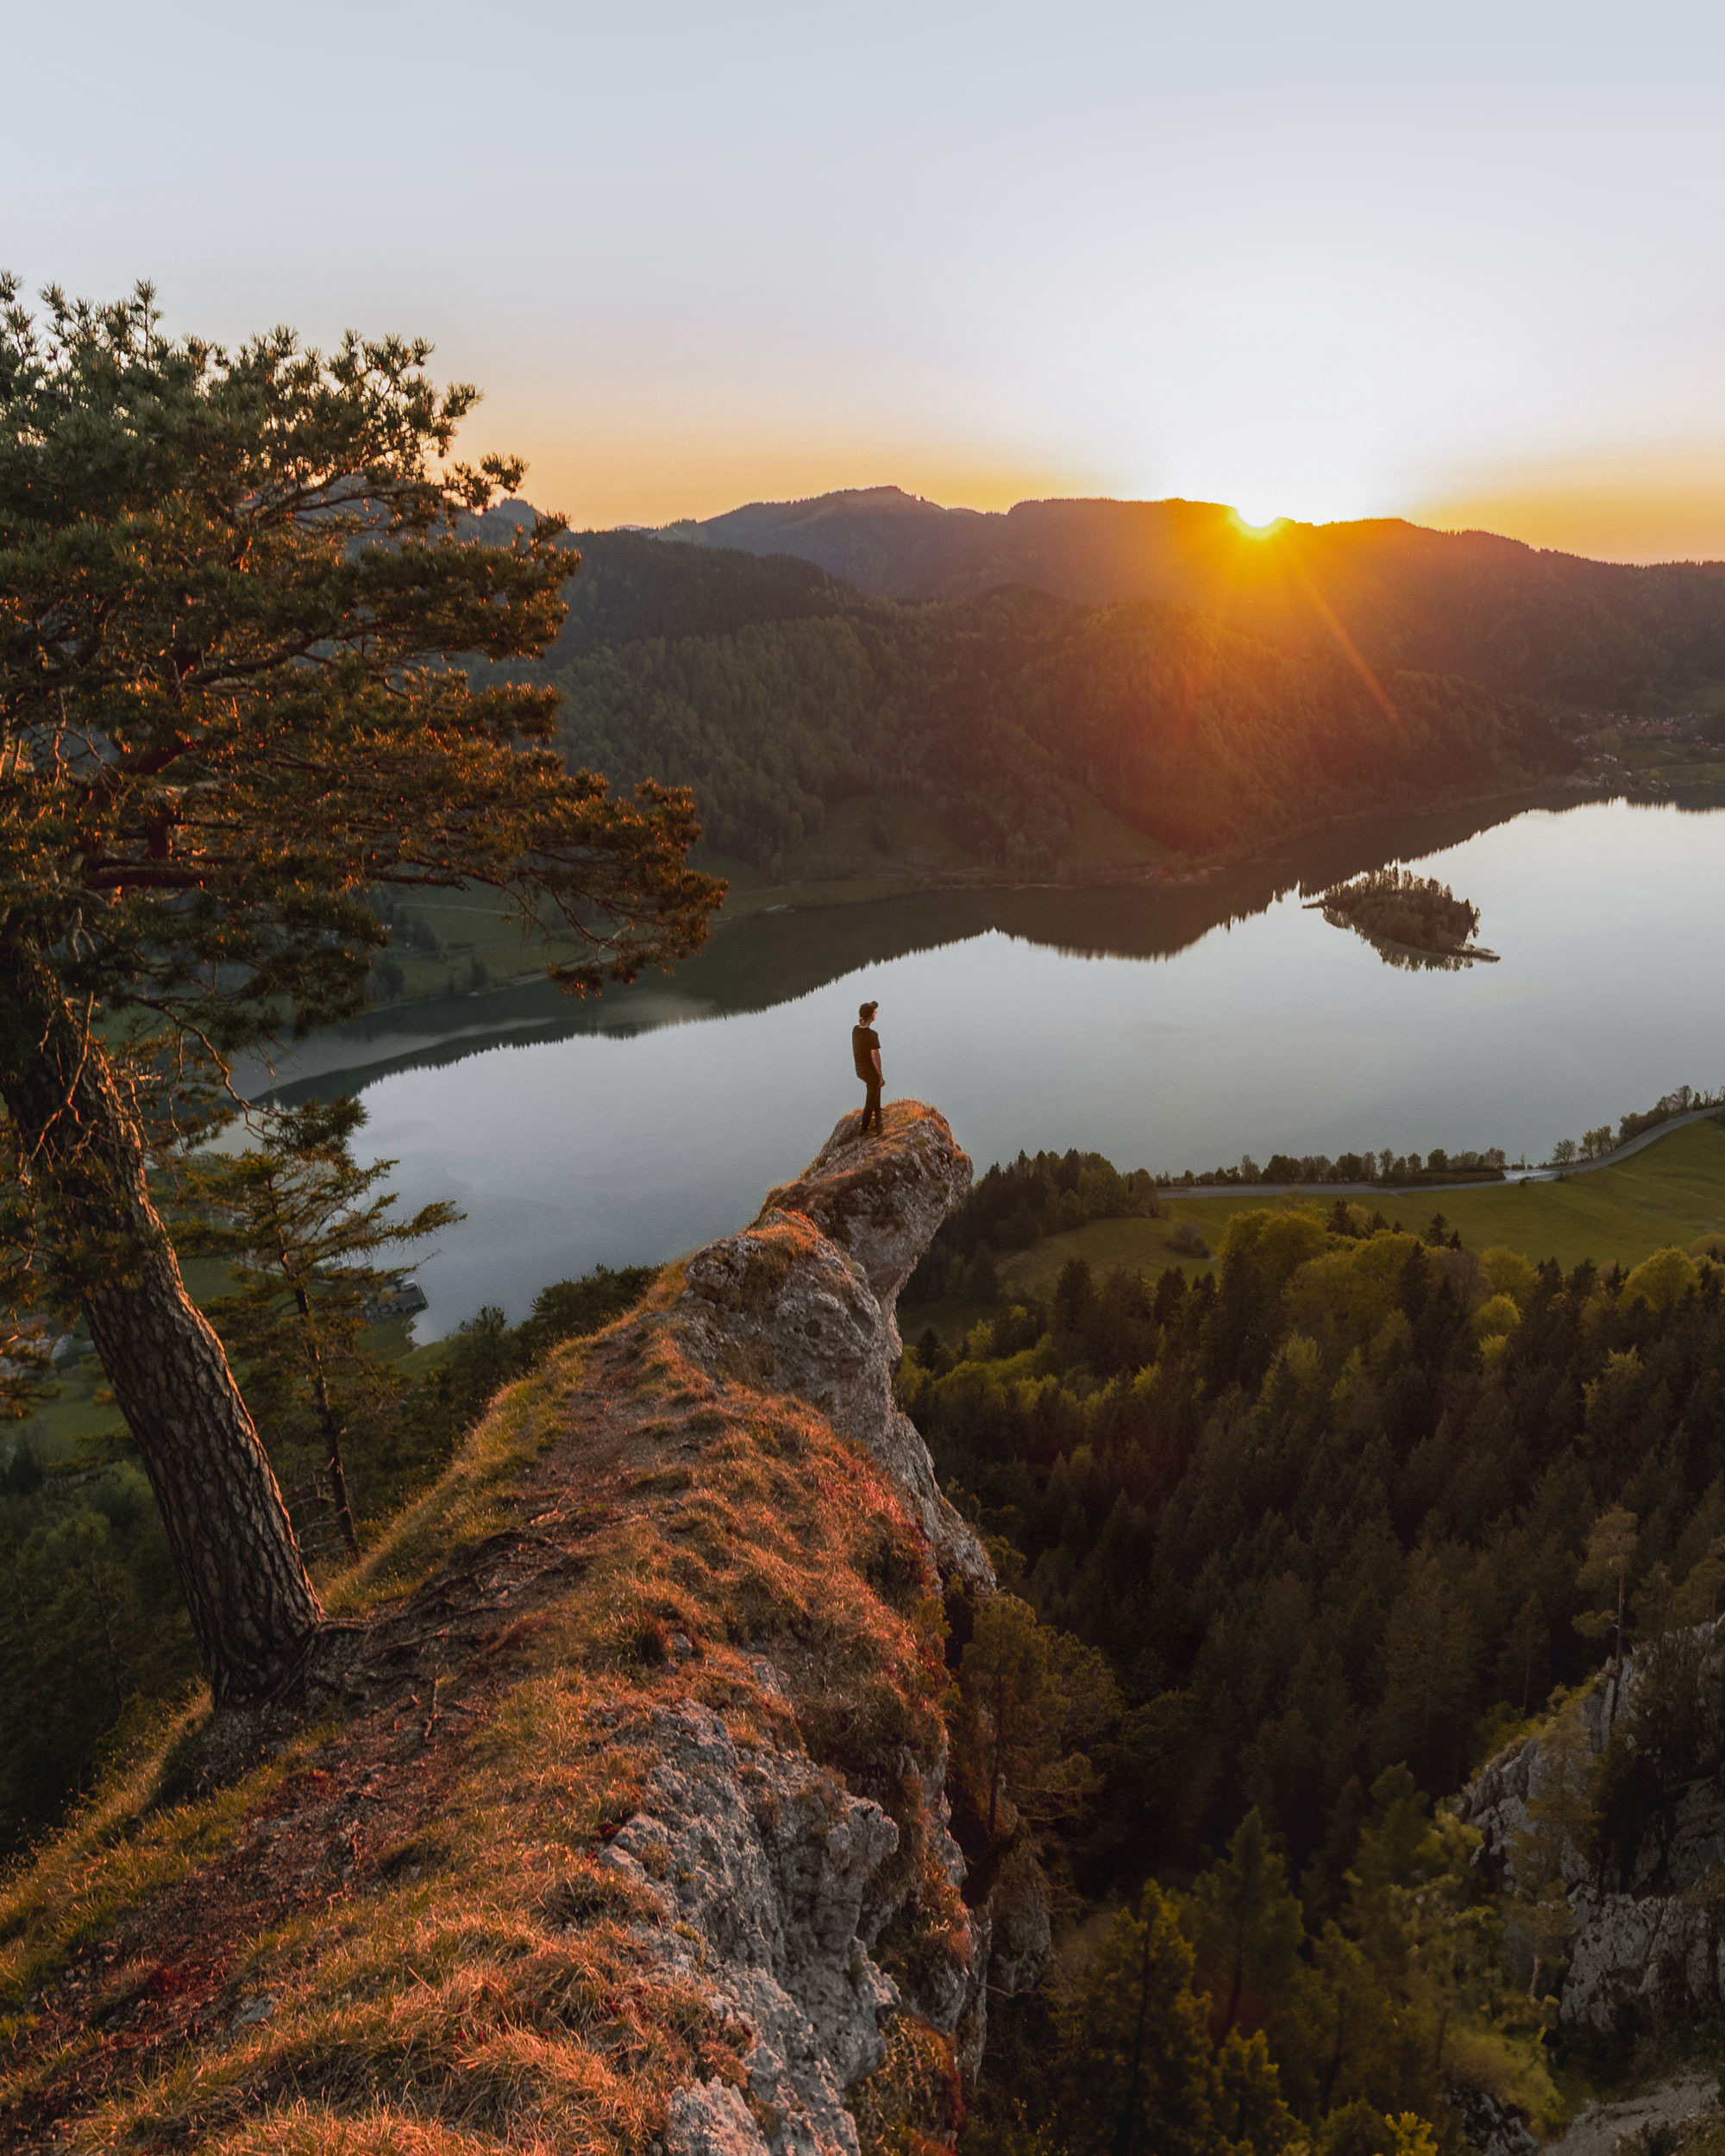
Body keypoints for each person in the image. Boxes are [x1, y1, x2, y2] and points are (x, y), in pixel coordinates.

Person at [852, 1000, 883, 1135]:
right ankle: (864, 1129)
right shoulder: (872, 1035)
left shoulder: (855, 1030)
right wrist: (880, 1075)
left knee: (874, 1089)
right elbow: (875, 1057)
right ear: (871, 1016)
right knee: (871, 1096)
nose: (876, 1013)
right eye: (874, 1012)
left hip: (860, 1070)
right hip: (870, 1071)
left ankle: (878, 1117)